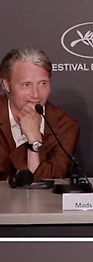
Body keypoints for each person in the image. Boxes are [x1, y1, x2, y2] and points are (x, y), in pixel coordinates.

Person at [0, 47, 79, 180]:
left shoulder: (65, 125)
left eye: (43, 84)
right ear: (7, 85)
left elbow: (51, 181)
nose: (36, 94)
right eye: (26, 85)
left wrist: (33, 141)